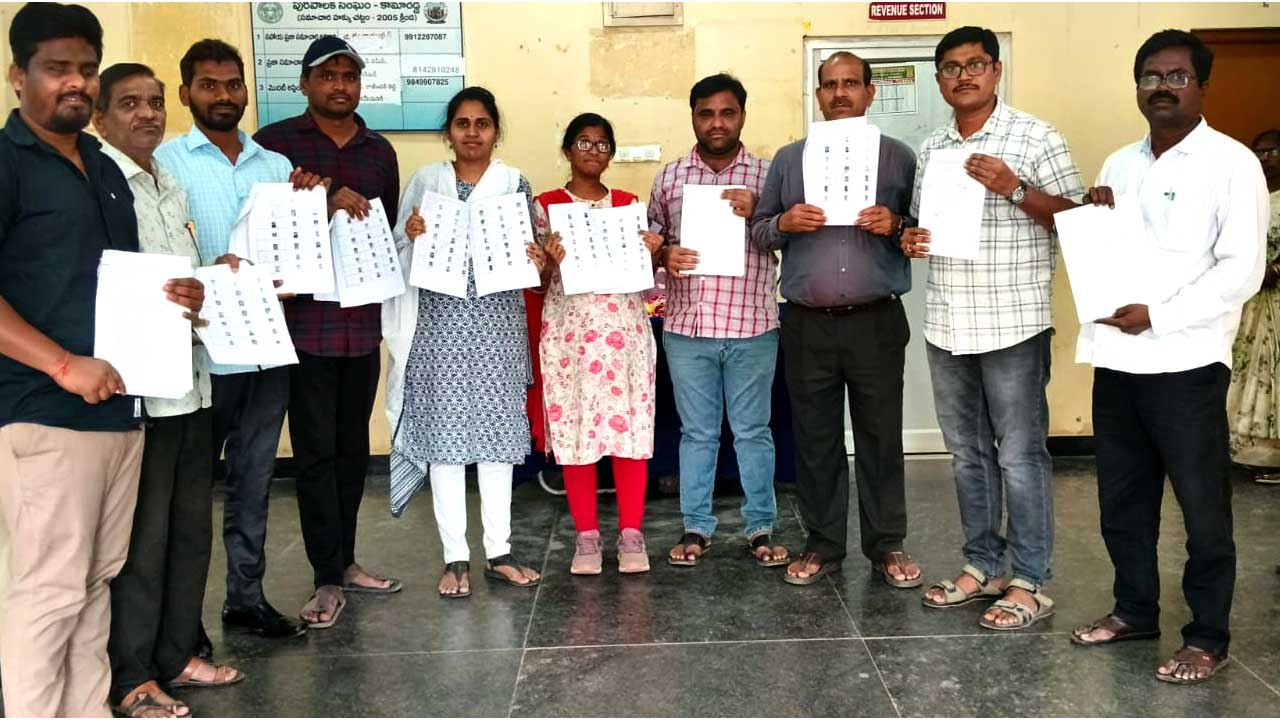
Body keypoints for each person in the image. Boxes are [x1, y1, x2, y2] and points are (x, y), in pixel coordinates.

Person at [0, 4, 202, 715]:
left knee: (95, 585)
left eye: (86, 69)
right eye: (57, 69)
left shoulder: (103, 168)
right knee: (49, 591)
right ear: (18, 76)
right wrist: (61, 364)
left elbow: (118, 280)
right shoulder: (7, 163)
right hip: (45, 414)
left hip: (120, 410)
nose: (76, 83)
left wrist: (178, 298)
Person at [1071, 29, 1268, 685]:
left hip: (1186, 363)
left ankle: (1208, 636)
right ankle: (1134, 610)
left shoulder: (1231, 163)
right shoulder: (1119, 163)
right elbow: (1107, 250)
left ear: (1202, 86)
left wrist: (1158, 316)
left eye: (1177, 76)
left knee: (1203, 511)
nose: (1161, 87)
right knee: (1122, 505)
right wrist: (1095, 217)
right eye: (1150, 76)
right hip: (1117, 361)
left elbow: (1241, 271)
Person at [901, 26, 1082, 628]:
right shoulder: (933, 148)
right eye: (951, 68)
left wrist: (1015, 188)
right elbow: (920, 223)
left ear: (996, 71)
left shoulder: (1036, 136)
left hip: (1014, 323)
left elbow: (1078, 220)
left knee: (1020, 457)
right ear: (939, 80)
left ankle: (1029, 580)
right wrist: (911, 237)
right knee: (967, 456)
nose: (964, 76)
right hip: (948, 320)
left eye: (975, 64)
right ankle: (983, 566)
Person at [156, 38, 324, 639]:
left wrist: (297, 260)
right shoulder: (165, 164)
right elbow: (158, 254)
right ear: (186, 94)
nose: (223, 95)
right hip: (199, 356)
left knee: (253, 483)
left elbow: (298, 253)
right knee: (188, 495)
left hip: (264, 348)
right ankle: (183, 625)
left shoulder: (275, 167)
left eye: (232, 84)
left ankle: (245, 600)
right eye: (209, 85)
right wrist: (212, 271)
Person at [93, 61, 243, 718]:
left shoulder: (167, 181)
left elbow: (178, 277)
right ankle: (132, 676)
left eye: (154, 102)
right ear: (100, 117)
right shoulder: (99, 183)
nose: (148, 114)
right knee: (143, 540)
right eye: (130, 103)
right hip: (139, 390)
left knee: (190, 529)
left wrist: (212, 279)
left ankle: (177, 654)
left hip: (190, 382)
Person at [751, 53, 919, 587]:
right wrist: (784, 221)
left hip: (876, 319)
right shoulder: (789, 159)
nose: (840, 93)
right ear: (818, 93)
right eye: (829, 85)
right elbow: (759, 231)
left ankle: (887, 544)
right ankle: (823, 543)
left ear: (870, 92)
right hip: (808, 323)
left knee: (880, 437)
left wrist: (897, 223)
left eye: (850, 83)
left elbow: (923, 228)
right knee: (815, 438)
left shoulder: (898, 157)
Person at [253, 35, 402, 630]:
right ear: (305, 84)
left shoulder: (379, 150)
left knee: (352, 452)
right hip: (305, 327)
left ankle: (346, 560)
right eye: (328, 75)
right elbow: (263, 224)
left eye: (349, 76)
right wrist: (319, 202)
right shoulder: (275, 145)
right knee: (314, 454)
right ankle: (325, 576)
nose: (340, 85)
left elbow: (386, 229)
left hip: (360, 324)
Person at [387, 86, 547, 598]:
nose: (472, 132)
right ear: (449, 132)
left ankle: (499, 552)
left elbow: (537, 251)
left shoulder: (514, 183)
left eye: (482, 123)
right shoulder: (426, 181)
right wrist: (411, 234)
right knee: (446, 441)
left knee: (497, 440)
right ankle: (455, 555)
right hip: (439, 326)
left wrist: (539, 257)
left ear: (496, 131)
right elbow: (394, 248)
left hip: (498, 326)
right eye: (462, 123)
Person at [649, 74, 788, 570]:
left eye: (727, 112)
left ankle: (760, 526)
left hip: (752, 325)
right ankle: (696, 526)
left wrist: (761, 213)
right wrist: (663, 253)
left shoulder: (770, 176)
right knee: (697, 434)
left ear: (742, 116)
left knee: (753, 431)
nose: (717, 123)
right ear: (693, 117)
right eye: (706, 113)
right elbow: (651, 241)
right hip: (687, 328)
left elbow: (789, 238)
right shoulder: (669, 177)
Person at [533, 112, 662, 575]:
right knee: (576, 433)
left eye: (602, 144)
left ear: (611, 153)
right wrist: (549, 261)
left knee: (630, 433)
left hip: (625, 336)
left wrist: (653, 252)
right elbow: (535, 282)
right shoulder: (545, 206)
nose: (593, 151)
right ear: (567, 150)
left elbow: (647, 280)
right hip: (571, 339)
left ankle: (631, 532)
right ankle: (586, 535)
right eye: (584, 143)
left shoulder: (628, 205)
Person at [1226, 128, 1280, 483]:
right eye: (1257, 151)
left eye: (1270, 151)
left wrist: (1274, 270)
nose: (1262, 158)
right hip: (1249, 299)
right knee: (1248, 371)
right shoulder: (1251, 194)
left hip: (1275, 297)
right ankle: (1249, 451)